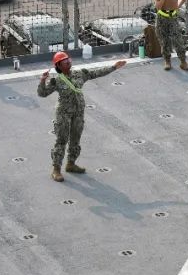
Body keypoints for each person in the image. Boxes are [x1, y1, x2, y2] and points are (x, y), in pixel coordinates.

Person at [38, 51, 126, 182]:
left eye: (68, 59)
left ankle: (71, 164)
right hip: (63, 114)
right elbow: (42, 94)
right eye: (64, 61)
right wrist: (42, 81)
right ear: (58, 65)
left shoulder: (80, 73)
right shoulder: (56, 81)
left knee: (75, 139)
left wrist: (114, 67)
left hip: (78, 112)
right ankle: (56, 170)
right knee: (61, 141)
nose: (68, 62)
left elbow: (96, 73)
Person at [153, 0, 188, 71]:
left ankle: (183, 62)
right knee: (164, 41)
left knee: (178, 40)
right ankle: (167, 61)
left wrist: (178, 6)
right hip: (162, 18)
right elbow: (158, 7)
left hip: (173, 18)